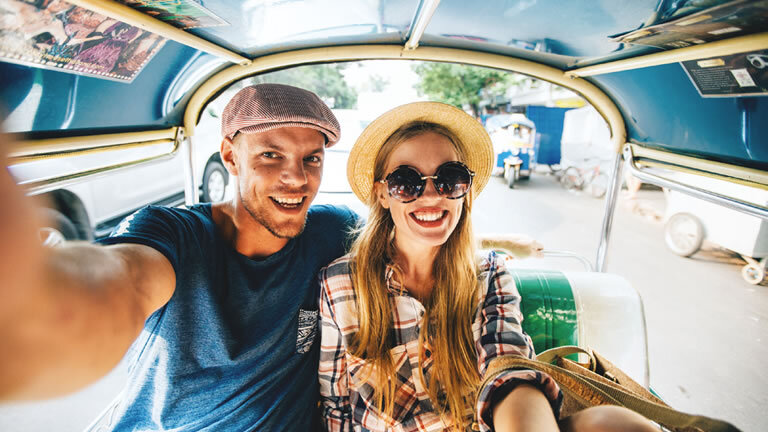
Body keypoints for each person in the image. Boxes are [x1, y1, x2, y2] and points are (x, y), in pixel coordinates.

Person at [0, 83, 360, 431]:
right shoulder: (172, 234)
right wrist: (42, 308)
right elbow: (125, 282)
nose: (297, 178)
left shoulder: (331, 231)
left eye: (311, 159)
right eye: (271, 155)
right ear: (231, 157)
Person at [317, 102, 657, 432]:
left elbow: (507, 367)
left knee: (618, 424)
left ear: (465, 191)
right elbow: (336, 403)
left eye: (450, 178)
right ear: (381, 194)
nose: (433, 195)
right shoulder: (340, 283)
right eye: (406, 182)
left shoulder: (488, 275)